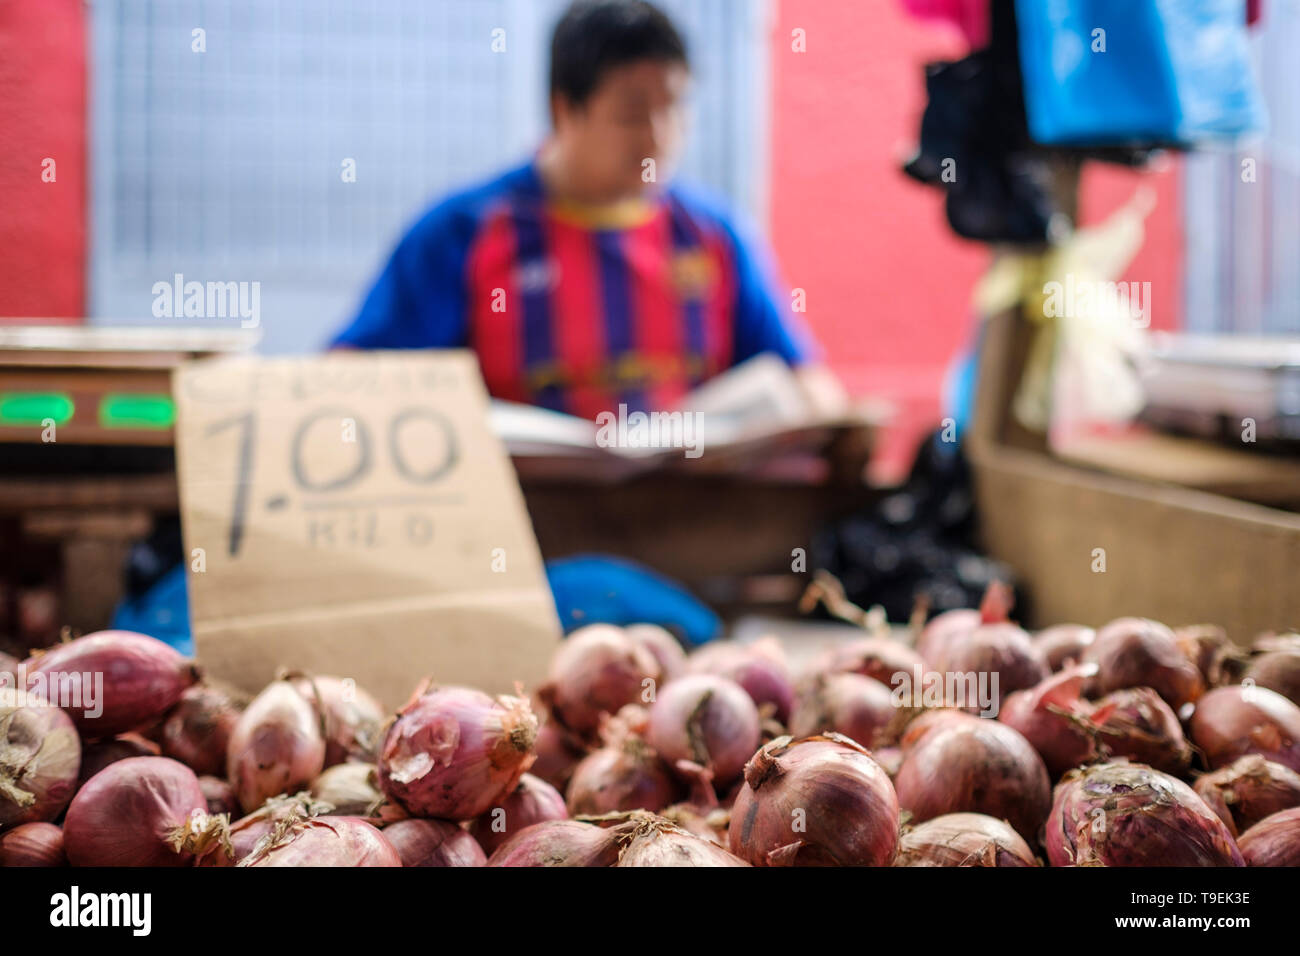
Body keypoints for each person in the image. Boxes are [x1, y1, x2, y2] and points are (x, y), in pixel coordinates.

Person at [330, 0, 845, 420]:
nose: (659, 136)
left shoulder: (714, 234)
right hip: (530, 529)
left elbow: (803, 380)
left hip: (693, 525)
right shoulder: (464, 232)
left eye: (674, 107)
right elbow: (352, 377)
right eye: (631, 113)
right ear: (563, 109)